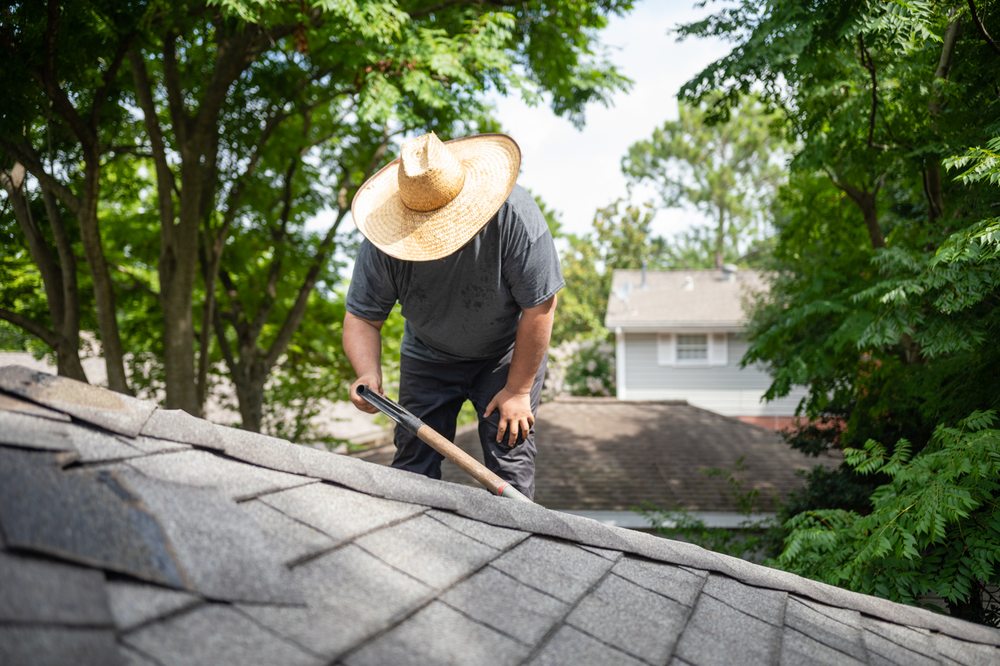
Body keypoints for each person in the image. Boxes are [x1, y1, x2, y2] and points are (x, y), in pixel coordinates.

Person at [343, 132, 562, 499]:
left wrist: (518, 390)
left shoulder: (515, 217)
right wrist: (367, 372)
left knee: (510, 460)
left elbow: (539, 307)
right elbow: (362, 318)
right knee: (413, 465)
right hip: (428, 357)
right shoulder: (384, 242)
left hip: (505, 357)